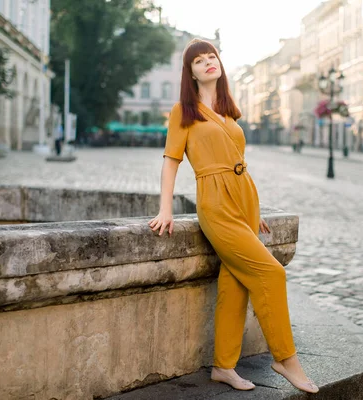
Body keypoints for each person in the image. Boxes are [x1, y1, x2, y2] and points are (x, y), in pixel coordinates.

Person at [148, 39, 319, 394]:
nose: (209, 62)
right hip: (214, 202)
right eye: (199, 60)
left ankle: (224, 366)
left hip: (245, 200)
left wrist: (252, 211)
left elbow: (236, 161)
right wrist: (165, 208)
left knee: (235, 285)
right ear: (190, 72)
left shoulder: (229, 109)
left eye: (212, 57)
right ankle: (286, 358)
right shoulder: (184, 110)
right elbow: (171, 161)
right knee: (271, 272)